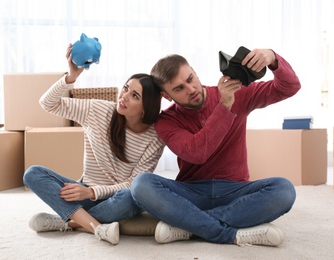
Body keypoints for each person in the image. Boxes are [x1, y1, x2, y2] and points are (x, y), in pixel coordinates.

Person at [131, 48, 301, 247]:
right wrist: (224, 106)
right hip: (191, 192)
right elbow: (197, 153)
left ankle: (189, 225)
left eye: (190, 78)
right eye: (179, 89)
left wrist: (272, 58)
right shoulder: (166, 121)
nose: (191, 89)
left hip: (235, 191)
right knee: (141, 184)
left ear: (194, 71)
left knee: (284, 190)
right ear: (166, 96)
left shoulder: (237, 92)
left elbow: (289, 87)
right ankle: (227, 234)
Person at [23, 44, 164, 245]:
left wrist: (92, 192)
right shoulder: (97, 110)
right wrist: (70, 77)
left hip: (116, 198)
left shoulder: (155, 138)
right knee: (32, 174)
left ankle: (72, 222)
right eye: (126, 88)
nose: (124, 96)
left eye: (135, 96)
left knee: (132, 199)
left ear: (146, 107)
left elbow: (134, 183)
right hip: (83, 192)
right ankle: (97, 227)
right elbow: (48, 103)